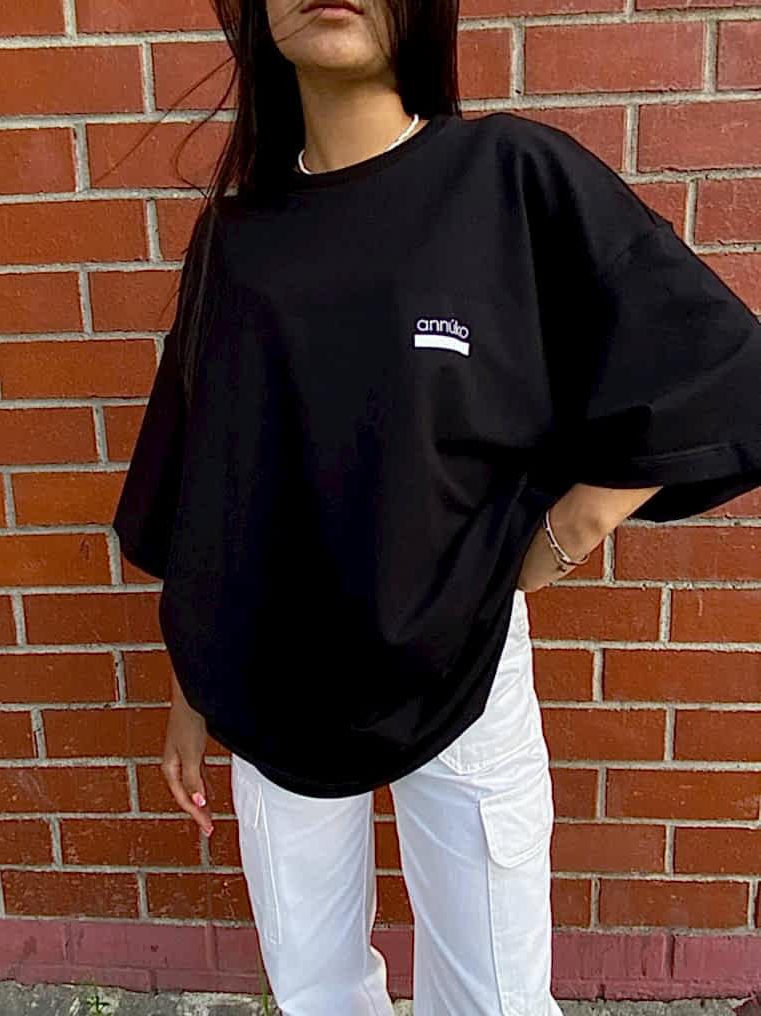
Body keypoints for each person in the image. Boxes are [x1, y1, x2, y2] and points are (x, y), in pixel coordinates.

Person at [112, 0, 761, 1012]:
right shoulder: (235, 241)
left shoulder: (506, 178)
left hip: (464, 660)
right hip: (268, 673)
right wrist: (190, 689)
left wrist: (571, 528)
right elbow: (206, 478)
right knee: (314, 984)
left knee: (495, 992)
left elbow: (716, 362)